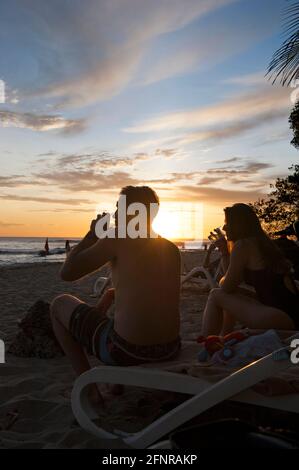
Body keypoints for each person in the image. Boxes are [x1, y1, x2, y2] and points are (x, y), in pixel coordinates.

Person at [50, 186, 181, 403]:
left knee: (58, 305)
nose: (116, 214)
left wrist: (92, 235)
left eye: (119, 208)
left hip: (128, 351)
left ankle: (92, 392)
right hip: (170, 348)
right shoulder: (170, 248)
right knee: (117, 302)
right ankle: (116, 385)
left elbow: (67, 273)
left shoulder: (118, 239)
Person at [201, 203, 299, 337]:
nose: (224, 227)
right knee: (233, 294)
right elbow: (232, 284)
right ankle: (222, 338)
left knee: (215, 295)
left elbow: (226, 287)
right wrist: (224, 252)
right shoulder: (262, 243)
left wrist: (224, 281)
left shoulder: (243, 245)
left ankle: (206, 343)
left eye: (227, 223)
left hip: (278, 318)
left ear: (239, 225)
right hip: (290, 315)